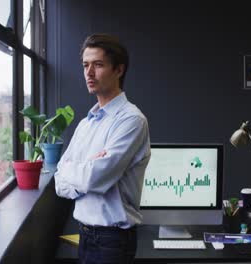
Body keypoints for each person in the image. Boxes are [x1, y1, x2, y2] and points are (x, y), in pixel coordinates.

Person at [54, 34, 151, 264]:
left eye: (98, 65)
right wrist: (83, 174)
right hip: (85, 236)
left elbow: (94, 178)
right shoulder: (86, 123)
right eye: (85, 65)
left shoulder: (131, 121)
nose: (89, 73)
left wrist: (78, 171)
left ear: (119, 70)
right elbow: (59, 180)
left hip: (112, 241)